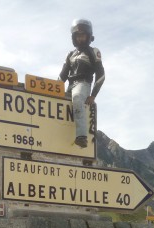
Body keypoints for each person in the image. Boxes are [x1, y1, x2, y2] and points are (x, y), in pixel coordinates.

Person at [59, 18, 105, 148]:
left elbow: (101, 75)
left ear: (88, 36)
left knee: (77, 98)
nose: (80, 38)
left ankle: (82, 136)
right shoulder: (70, 55)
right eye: (78, 36)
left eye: (83, 35)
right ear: (74, 37)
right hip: (70, 85)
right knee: (61, 105)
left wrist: (93, 95)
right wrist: (53, 90)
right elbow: (62, 76)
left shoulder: (93, 51)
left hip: (83, 84)